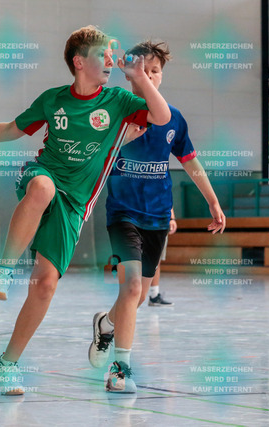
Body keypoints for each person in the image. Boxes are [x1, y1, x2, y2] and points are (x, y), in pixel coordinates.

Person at [0, 25, 171, 395]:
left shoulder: (119, 101)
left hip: (75, 204)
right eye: (102, 55)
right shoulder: (53, 100)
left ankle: (7, 363)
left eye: (112, 55)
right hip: (42, 177)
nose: (110, 61)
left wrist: (140, 76)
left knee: (45, 285)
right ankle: (2, 270)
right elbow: (10, 129)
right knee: (42, 188)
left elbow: (162, 116)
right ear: (79, 62)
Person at [88, 40, 225, 393]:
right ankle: (120, 370)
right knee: (132, 287)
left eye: (155, 71)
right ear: (128, 74)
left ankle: (106, 324)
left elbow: (190, 161)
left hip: (158, 216)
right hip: (123, 214)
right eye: (142, 70)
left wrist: (212, 201)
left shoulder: (173, 119)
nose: (148, 76)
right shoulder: (115, 111)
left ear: (162, 75)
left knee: (136, 297)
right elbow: (91, 156)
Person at [149, 207, 178, 306]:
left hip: (160, 223)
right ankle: (130, 298)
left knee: (156, 261)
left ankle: (154, 296)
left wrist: (172, 218)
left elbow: (167, 198)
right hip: (140, 221)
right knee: (137, 260)